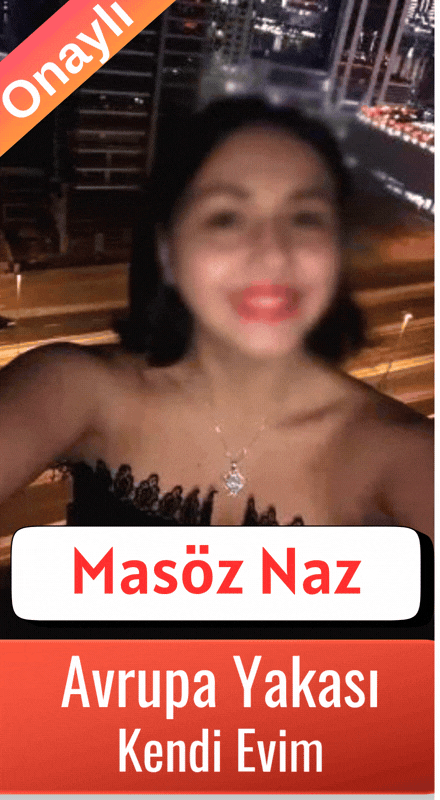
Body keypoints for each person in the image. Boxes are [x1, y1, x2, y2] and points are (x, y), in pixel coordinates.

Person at [0, 98, 433, 535]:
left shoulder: (401, 451)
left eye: (305, 218)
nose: (272, 254)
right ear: (166, 251)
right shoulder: (72, 388)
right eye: (226, 218)